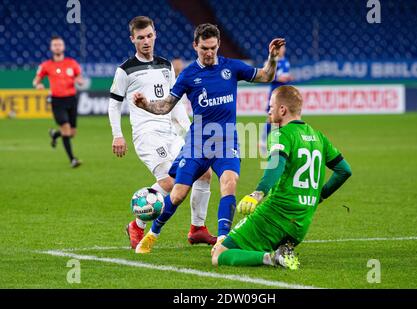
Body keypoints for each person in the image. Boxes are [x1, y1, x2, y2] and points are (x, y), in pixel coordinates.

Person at [133, 23, 285, 254]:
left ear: (218, 45)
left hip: (226, 142)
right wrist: (146, 105)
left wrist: (272, 58)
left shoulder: (231, 67)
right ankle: (153, 234)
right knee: (178, 193)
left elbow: (265, 76)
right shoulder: (188, 75)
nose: (209, 52)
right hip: (197, 143)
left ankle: (222, 240)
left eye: (213, 47)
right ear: (195, 46)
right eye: (204, 48)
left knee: (230, 182)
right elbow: (165, 106)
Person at [211, 85, 352, 269]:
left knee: (219, 254)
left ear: (282, 109)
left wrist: (258, 194)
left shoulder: (281, 135)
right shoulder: (319, 137)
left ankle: (271, 258)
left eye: (271, 107)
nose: (268, 111)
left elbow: (275, 166)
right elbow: (344, 170)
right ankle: (281, 251)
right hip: (301, 223)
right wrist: (320, 195)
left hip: (276, 216)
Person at [108, 16, 215, 250]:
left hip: (170, 132)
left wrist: (189, 129)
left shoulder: (166, 65)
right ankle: (137, 225)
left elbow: (174, 101)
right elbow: (114, 104)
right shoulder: (125, 70)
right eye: (140, 38)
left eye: (149, 35)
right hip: (147, 135)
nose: (146, 41)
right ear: (132, 40)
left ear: (155, 34)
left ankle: (197, 229)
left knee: (204, 172)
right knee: (170, 182)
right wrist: (118, 134)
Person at [33, 35, 84, 168]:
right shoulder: (46, 65)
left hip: (72, 99)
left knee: (71, 133)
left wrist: (79, 80)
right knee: (66, 128)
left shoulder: (72, 63)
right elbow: (36, 80)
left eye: (59, 45)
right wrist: (38, 85)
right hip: (57, 101)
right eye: (55, 45)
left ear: (63, 47)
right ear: (51, 48)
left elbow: (79, 76)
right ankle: (73, 159)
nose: (57, 47)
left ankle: (55, 134)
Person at [260, 44, 293, 154]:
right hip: (275, 93)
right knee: (272, 117)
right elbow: (265, 77)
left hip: (285, 93)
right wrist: (279, 78)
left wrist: (288, 78)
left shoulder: (286, 62)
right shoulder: (271, 62)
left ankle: (277, 142)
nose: (284, 49)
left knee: (283, 117)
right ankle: (263, 141)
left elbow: (285, 75)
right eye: (282, 48)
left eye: (284, 47)